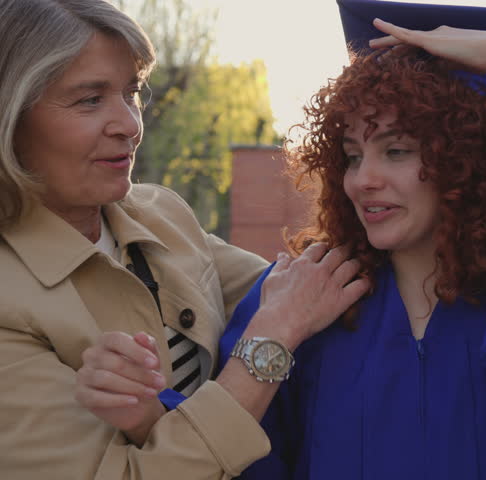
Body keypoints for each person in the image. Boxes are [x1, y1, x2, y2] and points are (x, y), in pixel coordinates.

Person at [84, 1, 486, 479]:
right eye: (351, 156)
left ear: (467, 160)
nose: (363, 180)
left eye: (397, 151)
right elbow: (249, 463)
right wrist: (149, 415)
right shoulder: (310, 304)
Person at [0, 0, 367, 478]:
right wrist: (268, 344)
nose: (130, 126)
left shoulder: (162, 214)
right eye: (90, 100)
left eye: (131, 94)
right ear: (10, 115)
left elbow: (300, 290)